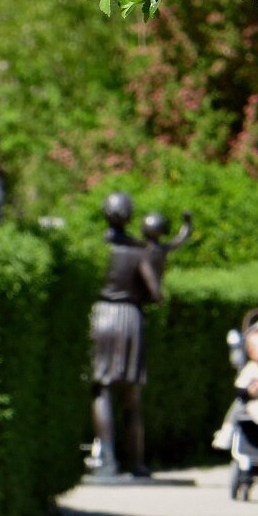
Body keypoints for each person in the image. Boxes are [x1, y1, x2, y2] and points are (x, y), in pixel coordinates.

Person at [89, 192, 162, 478]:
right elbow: (155, 294)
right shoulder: (138, 250)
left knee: (101, 390)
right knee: (131, 395)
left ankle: (108, 461)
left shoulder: (96, 249)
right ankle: (137, 462)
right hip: (130, 319)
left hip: (101, 316)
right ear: (130, 216)